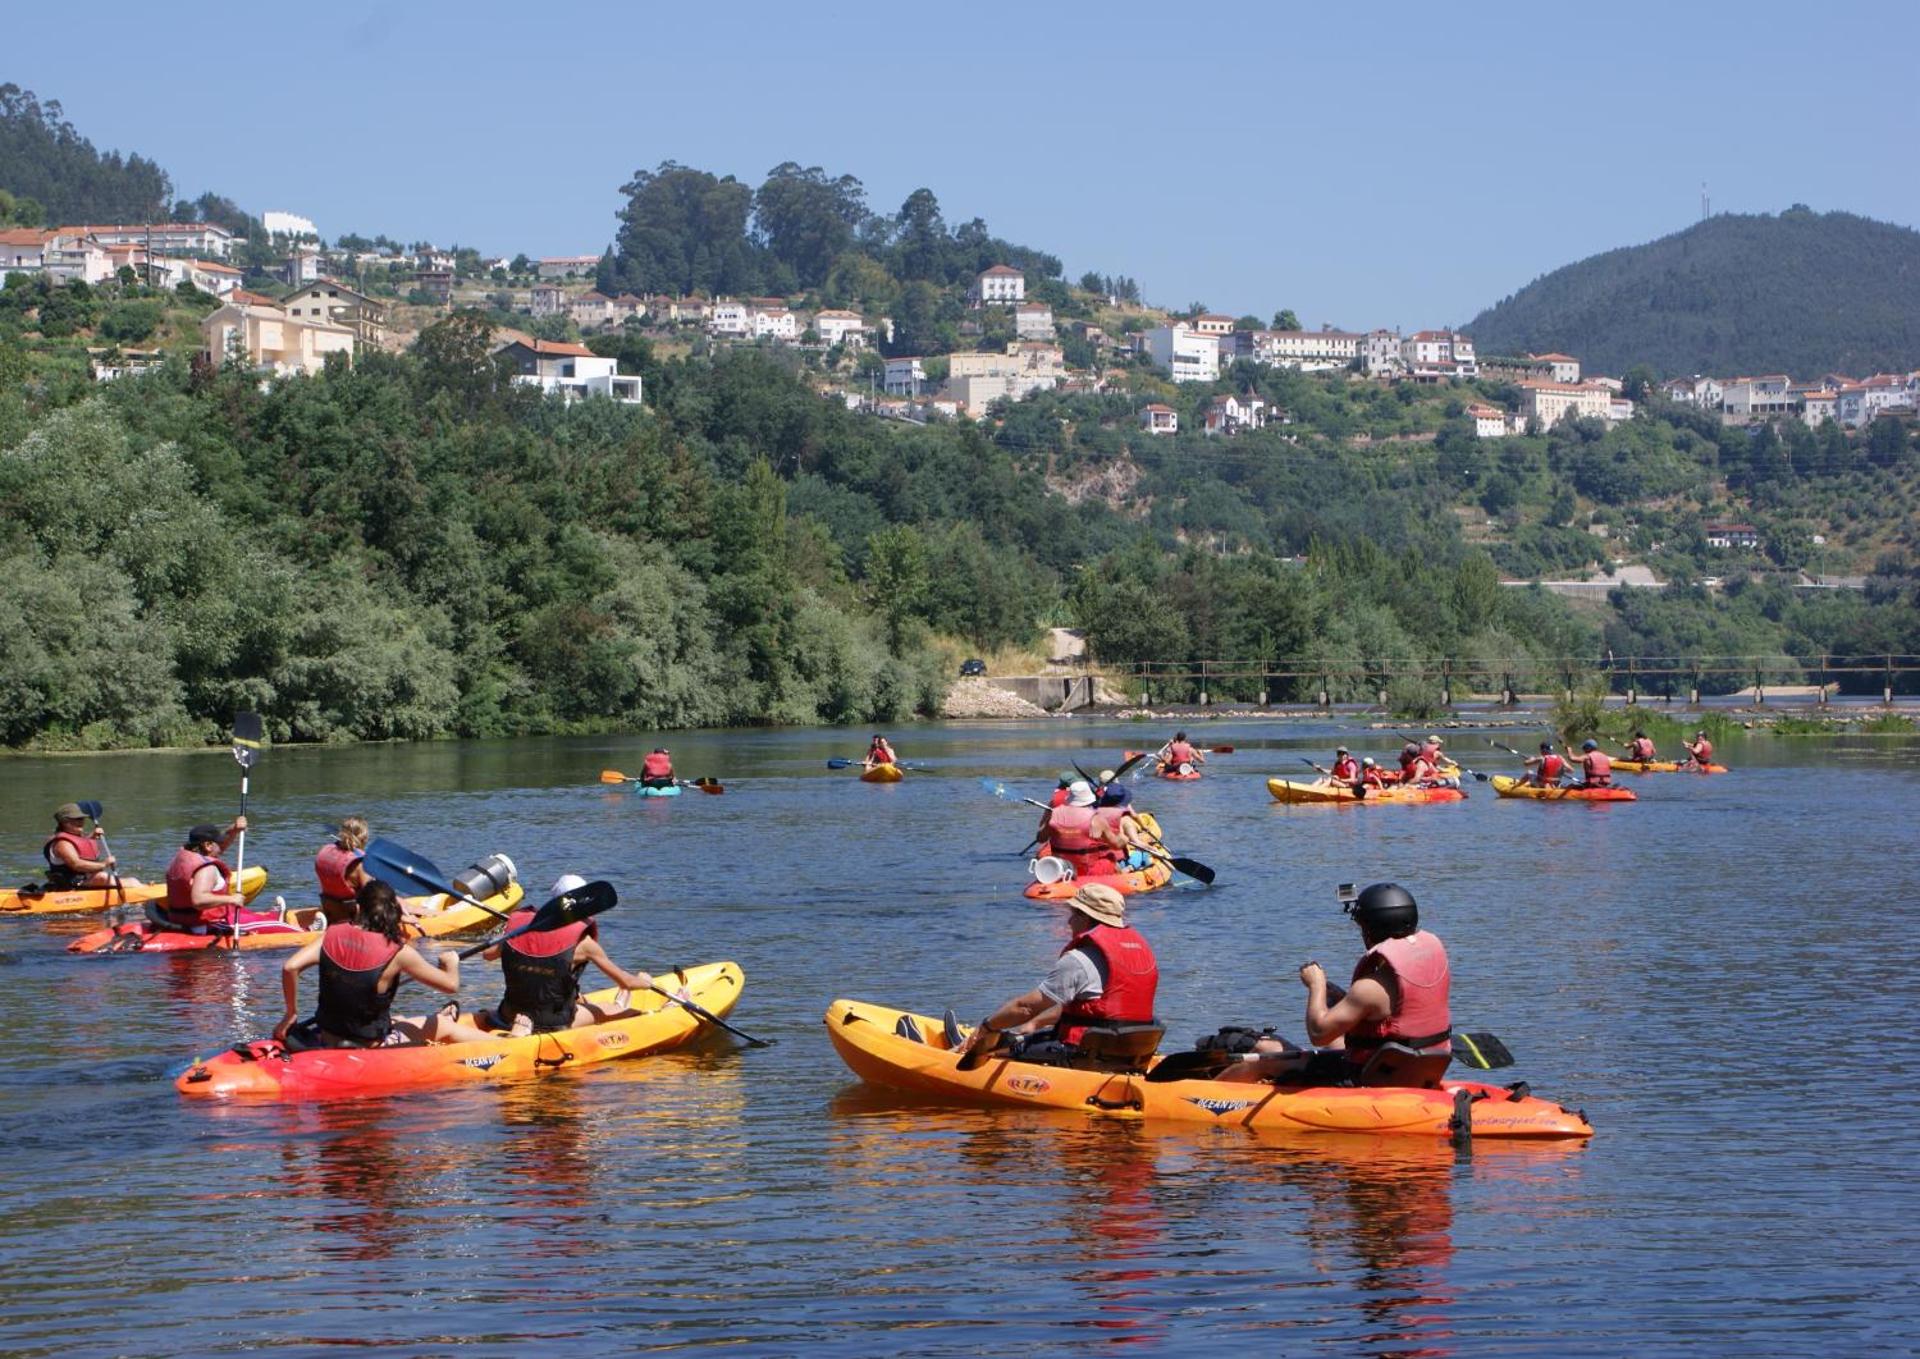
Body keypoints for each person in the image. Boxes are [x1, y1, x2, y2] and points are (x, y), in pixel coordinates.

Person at [1220, 882, 1450, 1085]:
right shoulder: (1432, 965)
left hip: (1371, 1076)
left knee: (1267, 1050)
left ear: (1369, 930)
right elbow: (1390, 1012)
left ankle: (1202, 1101)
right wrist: (1339, 996)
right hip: (1419, 1066)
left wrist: (1316, 985)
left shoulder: (1369, 988)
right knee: (1336, 1043)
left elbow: (1318, 1033)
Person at [955, 882, 1157, 1067]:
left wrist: (986, 1028)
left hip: (1083, 1056)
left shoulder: (1078, 960)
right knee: (1031, 1037)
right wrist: (1037, 1023)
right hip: (1132, 1053)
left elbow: (1025, 1007)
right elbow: (1091, 1006)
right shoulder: (1140, 952)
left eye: (1074, 914)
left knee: (1000, 1050)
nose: (1069, 921)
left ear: (1085, 917)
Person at [274, 880, 484, 1048]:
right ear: (394, 912)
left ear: (357, 908)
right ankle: (512, 1045)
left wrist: (291, 1013)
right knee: (443, 1026)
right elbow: (450, 985)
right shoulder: (399, 952)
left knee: (397, 1018)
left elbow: (290, 967)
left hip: (328, 1036)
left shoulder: (331, 934)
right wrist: (451, 963)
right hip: (371, 1044)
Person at [479, 874, 655, 1034]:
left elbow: (487, 954)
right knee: (614, 1012)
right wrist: (644, 981)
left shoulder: (519, 929)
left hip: (510, 1014)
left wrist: (507, 930)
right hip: (552, 1022)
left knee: (573, 997)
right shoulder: (586, 945)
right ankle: (623, 1009)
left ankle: (611, 1002)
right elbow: (626, 982)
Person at [152, 819, 279, 932]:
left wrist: (233, 830)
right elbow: (199, 900)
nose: (222, 847)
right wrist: (232, 899)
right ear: (208, 845)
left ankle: (271, 916)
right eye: (218, 843)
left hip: (181, 919)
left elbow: (218, 846)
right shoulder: (207, 869)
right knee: (284, 930)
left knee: (246, 913)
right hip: (207, 924)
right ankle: (276, 923)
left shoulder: (183, 856)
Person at [1038, 780, 1127, 879]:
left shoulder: (1053, 814)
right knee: (1111, 857)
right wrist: (1124, 839)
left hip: (1060, 869)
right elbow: (1116, 845)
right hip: (1086, 871)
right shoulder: (1096, 819)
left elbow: (1040, 838)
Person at [42, 803, 142, 890]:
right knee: (103, 877)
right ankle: (142, 891)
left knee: (131, 880)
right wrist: (104, 864)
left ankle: (139, 888)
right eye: (77, 819)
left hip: (82, 880)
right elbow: (77, 865)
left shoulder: (71, 837)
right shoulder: (62, 843)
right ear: (65, 822)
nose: (81, 822)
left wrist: (92, 837)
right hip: (72, 884)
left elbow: (81, 847)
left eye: (82, 819)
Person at [315, 817, 371, 925]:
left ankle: (317, 925)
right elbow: (374, 897)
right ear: (364, 839)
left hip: (329, 912)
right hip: (352, 918)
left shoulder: (324, 851)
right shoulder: (360, 865)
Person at [1095, 783, 1157, 871]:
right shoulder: (1124, 819)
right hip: (1118, 860)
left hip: (1098, 858)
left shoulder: (1094, 814)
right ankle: (1131, 867)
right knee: (1142, 853)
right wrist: (1152, 849)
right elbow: (1137, 843)